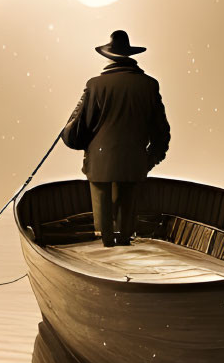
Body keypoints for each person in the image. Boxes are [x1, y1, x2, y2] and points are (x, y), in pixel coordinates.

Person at [61, 30, 171, 247]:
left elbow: (77, 131)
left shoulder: (94, 85)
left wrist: (69, 133)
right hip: (134, 163)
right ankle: (124, 242)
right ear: (130, 55)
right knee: (127, 221)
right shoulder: (149, 85)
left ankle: (106, 245)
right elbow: (161, 129)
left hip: (100, 163)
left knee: (103, 227)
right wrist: (151, 159)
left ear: (109, 56)